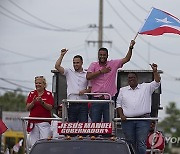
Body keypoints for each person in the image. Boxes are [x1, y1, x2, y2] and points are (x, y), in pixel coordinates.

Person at [86, 40, 135, 123]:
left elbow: (127, 59)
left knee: (109, 123)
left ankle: (108, 136)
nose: (102, 56)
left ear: (107, 55)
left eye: (104, 55)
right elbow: (88, 77)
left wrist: (131, 47)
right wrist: (101, 71)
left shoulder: (113, 63)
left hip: (109, 99)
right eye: (100, 55)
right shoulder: (93, 65)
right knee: (95, 123)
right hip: (96, 99)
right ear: (98, 55)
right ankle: (94, 136)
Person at [116, 63, 161, 154]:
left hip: (143, 120)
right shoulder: (123, 90)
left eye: (133, 77)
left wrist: (155, 71)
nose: (131, 79)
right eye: (129, 78)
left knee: (141, 143)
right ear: (127, 80)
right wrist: (121, 115)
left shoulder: (146, 87)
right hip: (127, 121)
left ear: (137, 79)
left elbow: (157, 82)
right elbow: (118, 104)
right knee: (130, 143)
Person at [55, 49, 91, 123]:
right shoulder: (69, 71)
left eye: (77, 63)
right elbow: (57, 66)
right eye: (74, 63)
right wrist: (62, 55)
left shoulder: (87, 73)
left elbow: (91, 88)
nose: (75, 64)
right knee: (71, 126)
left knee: (83, 126)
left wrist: (85, 91)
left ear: (82, 63)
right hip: (72, 103)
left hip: (83, 103)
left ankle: (82, 135)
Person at [26, 76, 54, 148]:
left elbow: (50, 107)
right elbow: (27, 108)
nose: (37, 85)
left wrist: (42, 102)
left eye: (39, 83)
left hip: (44, 123)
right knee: (33, 145)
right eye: (36, 83)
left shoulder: (49, 94)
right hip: (33, 122)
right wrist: (33, 102)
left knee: (44, 144)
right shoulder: (32, 93)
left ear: (44, 84)